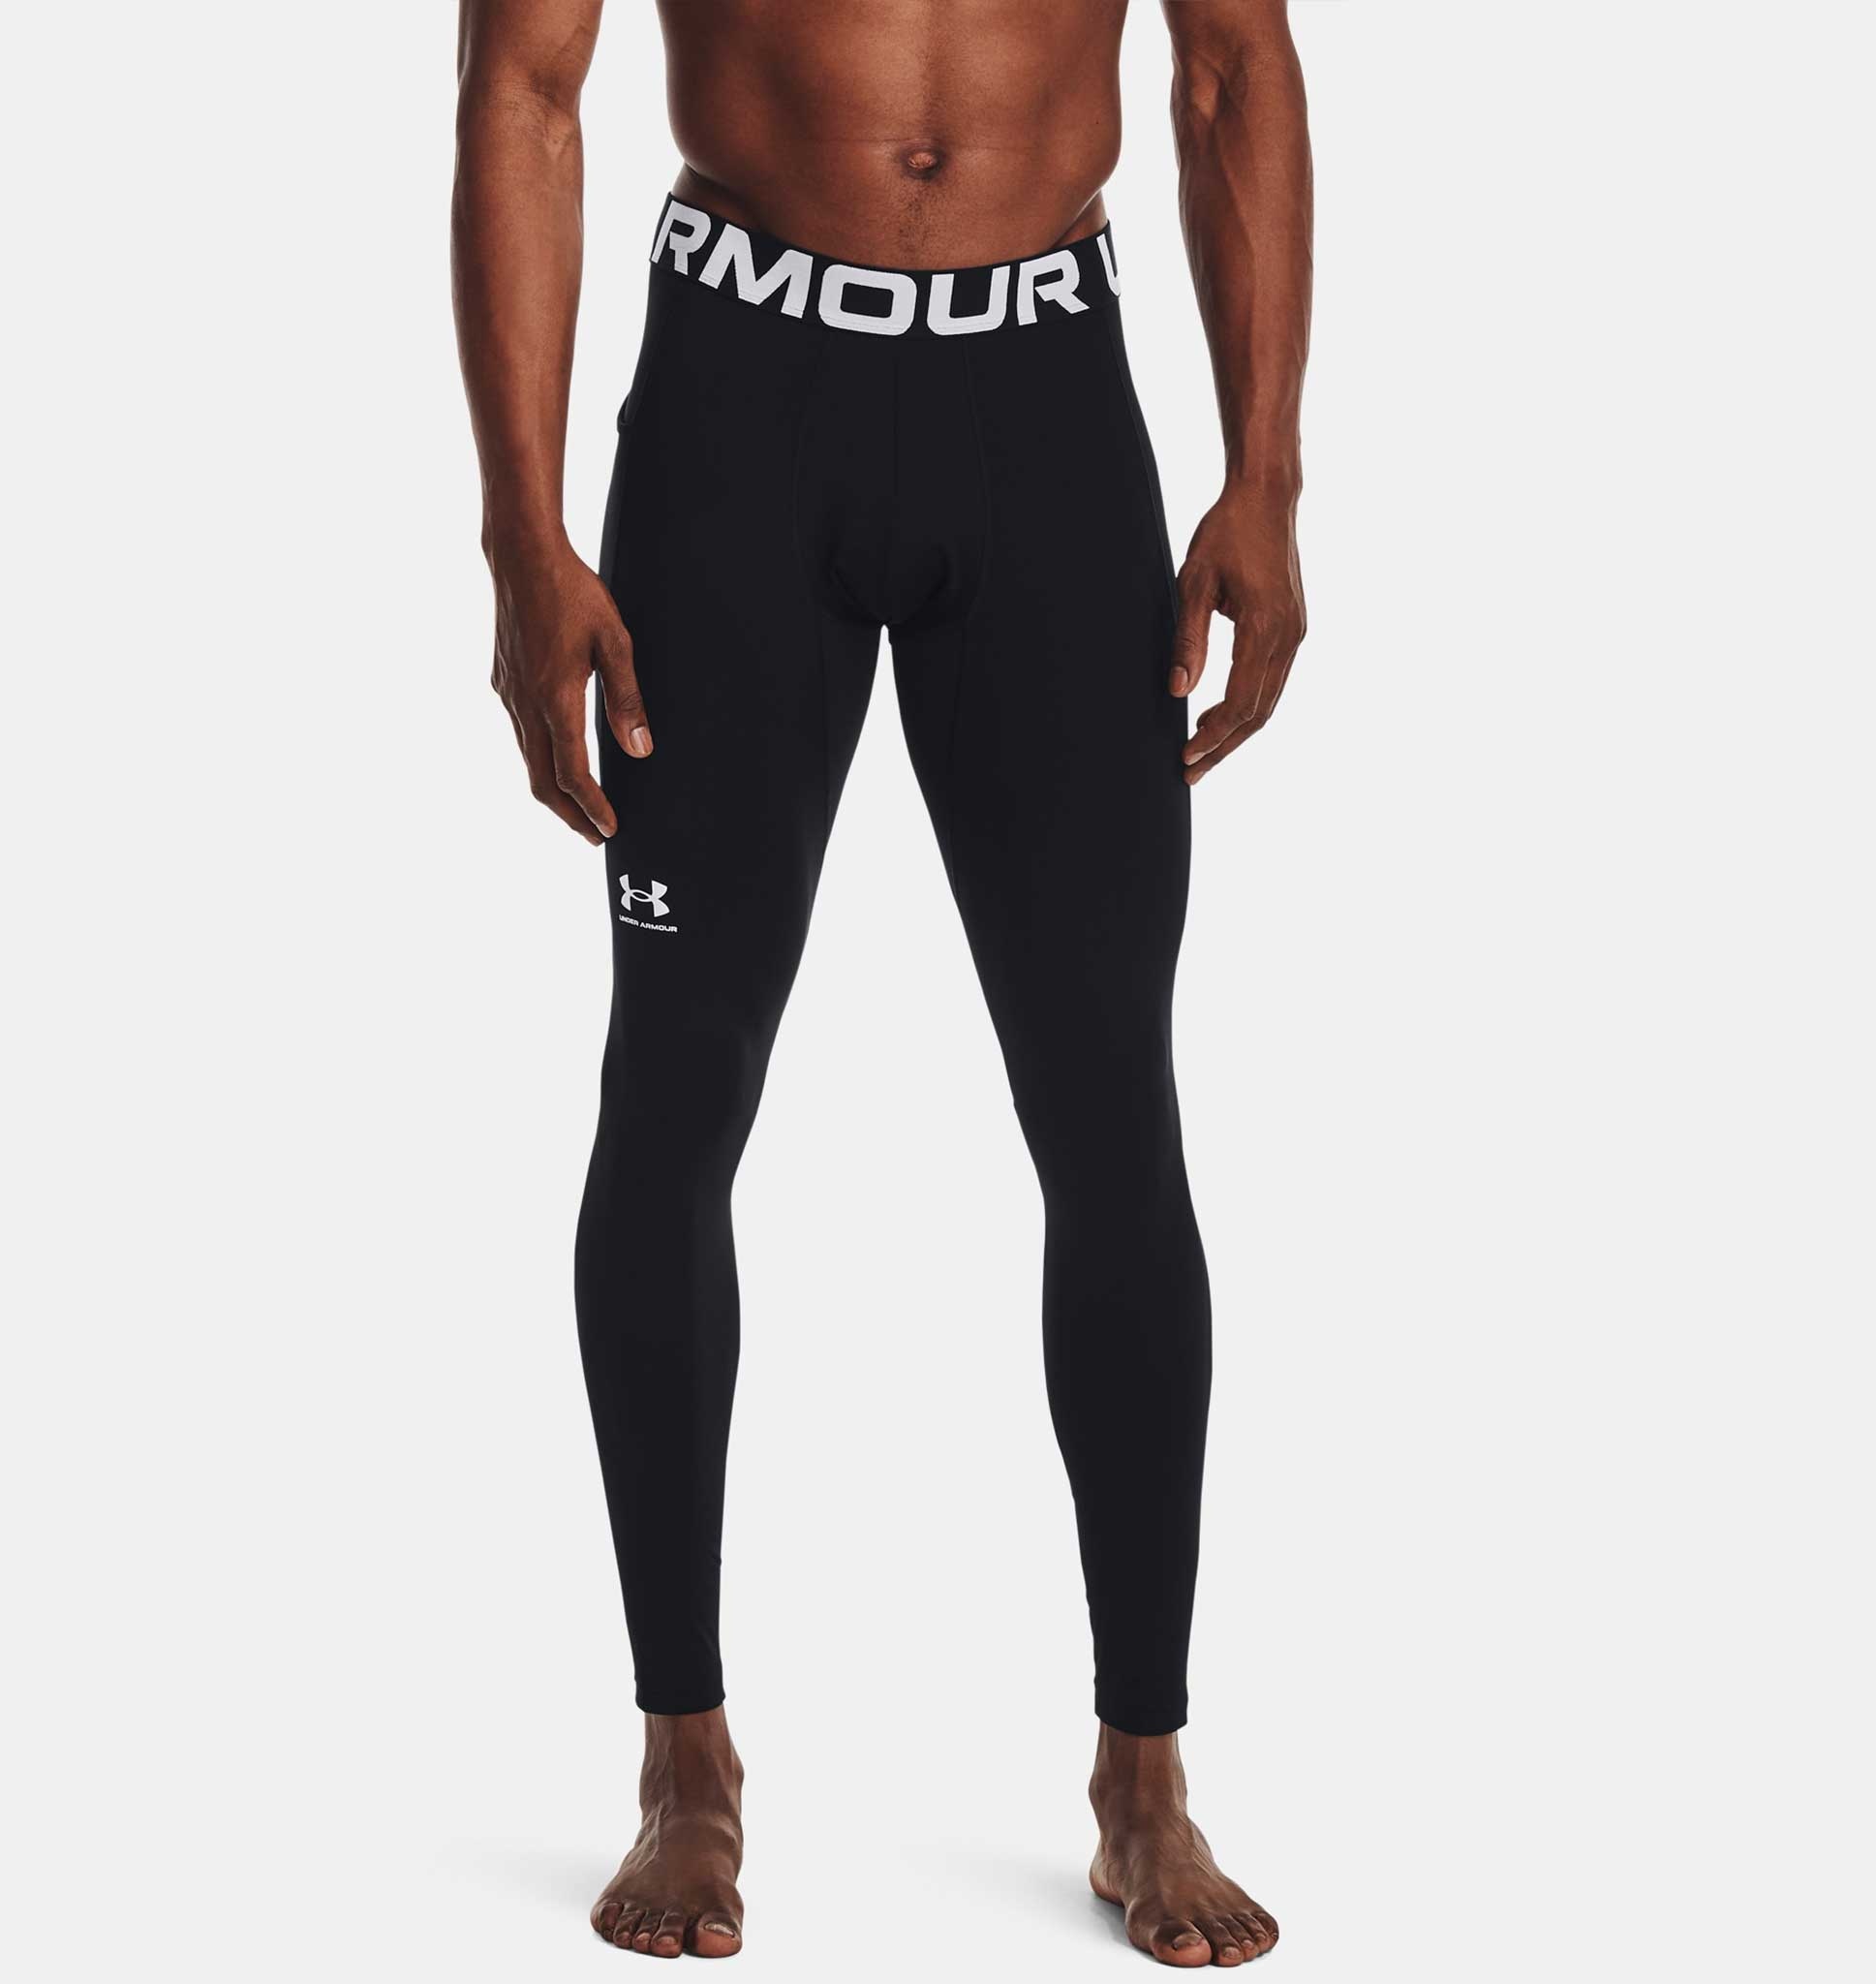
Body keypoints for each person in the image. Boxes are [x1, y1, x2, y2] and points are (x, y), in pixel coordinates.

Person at [451, 0, 1310, 1965]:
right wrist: (520, 532)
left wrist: (1264, 469)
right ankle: (684, 1757)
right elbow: (525, 84)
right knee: (675, 1094)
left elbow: (1233, 64)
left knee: (1111, 1108)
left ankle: (1144, 1769)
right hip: (740, 408)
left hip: (1046, 407)